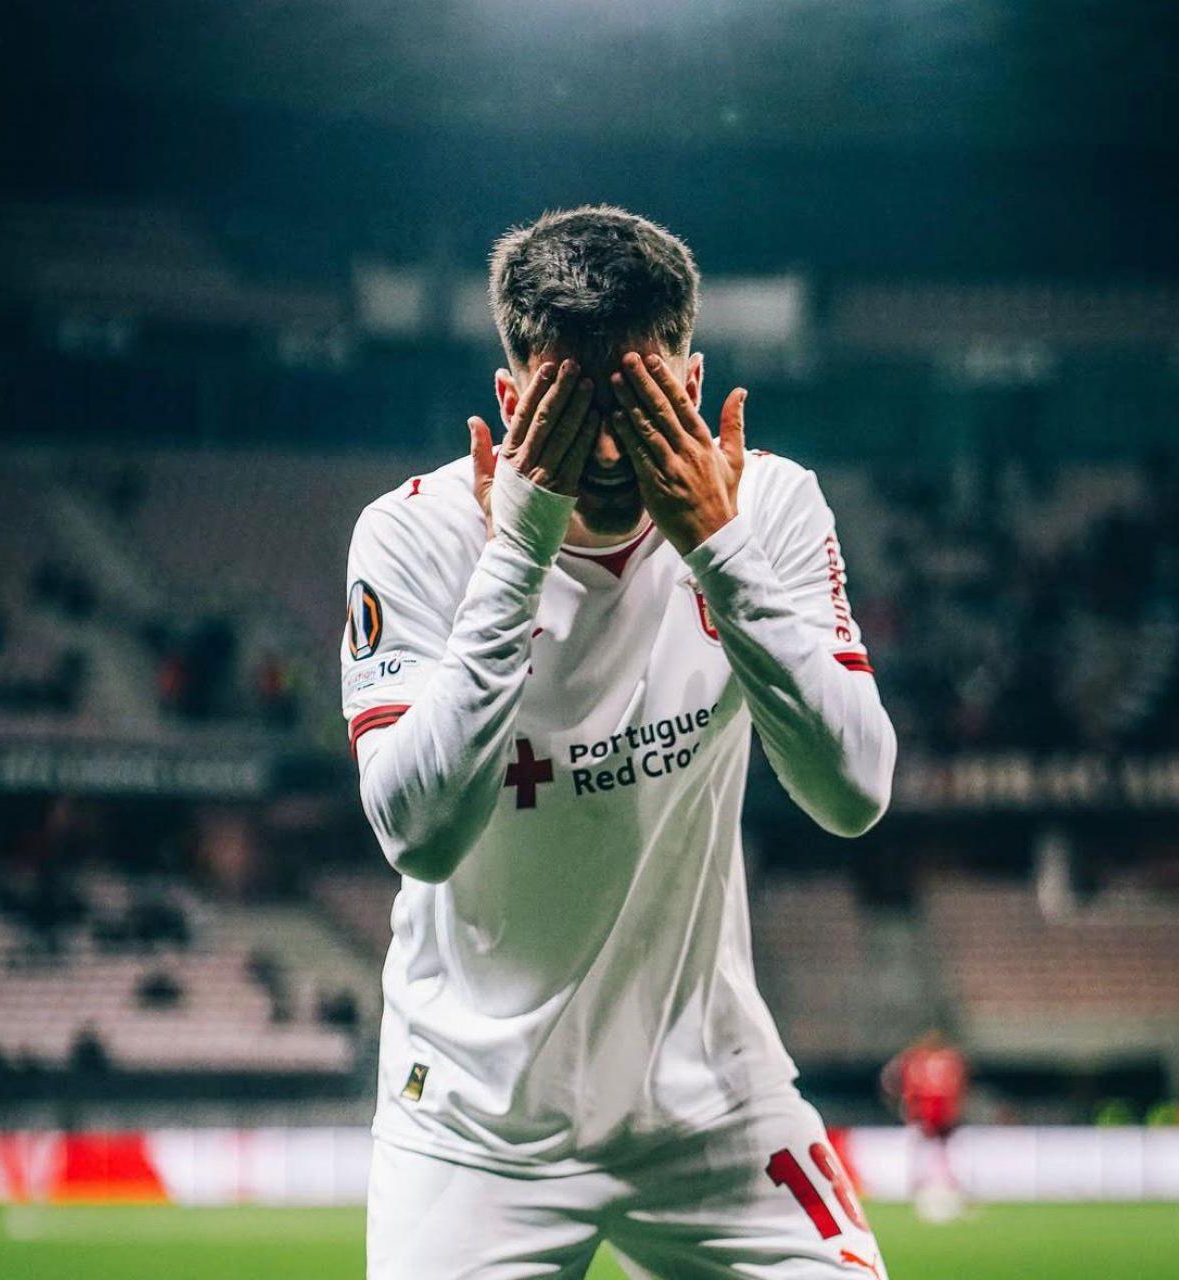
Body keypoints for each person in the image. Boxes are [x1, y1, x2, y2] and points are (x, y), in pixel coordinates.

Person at [341, 205, 897, 1279]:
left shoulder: (769, 506)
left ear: (693, 385)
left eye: (638, 404)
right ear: (512, 401)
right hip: (475, 1124)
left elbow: (853, 792)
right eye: (576, 406)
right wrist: (518, 550)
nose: (605, 449)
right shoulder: (411, 534)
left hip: (713, 1102)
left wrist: (718, 547)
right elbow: (418, 837)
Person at [880, 1030, 969, 1222]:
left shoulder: (917, 1058)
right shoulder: (942, 1058)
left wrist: (904, 1103)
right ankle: (933, 1187)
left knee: (933, 1151)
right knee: (936, 1151)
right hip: (933, 1111)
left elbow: (893, 1080)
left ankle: (934, 1187)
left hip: (929, 1111)